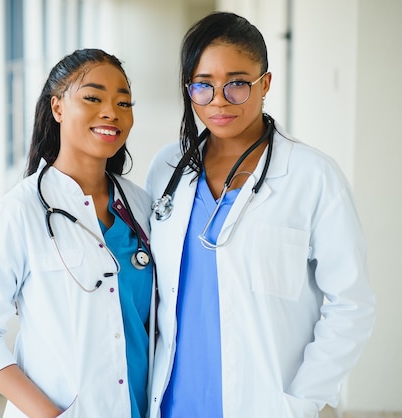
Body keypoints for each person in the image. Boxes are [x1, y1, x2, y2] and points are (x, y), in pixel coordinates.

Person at [145, 12, 375, 418]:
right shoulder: (167, 169)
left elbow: (351, 303)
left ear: (265, 83)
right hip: (175, 398)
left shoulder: (312, 176)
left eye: (236, 84)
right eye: (203, 85)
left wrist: (304, 398)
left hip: (268, 401)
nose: (218, 99)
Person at [0, 48, 155, 418]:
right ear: (58, 107)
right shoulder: (19, 212)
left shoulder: (140, 206)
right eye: (93, 97)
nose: (111, 111)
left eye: (124, 102)